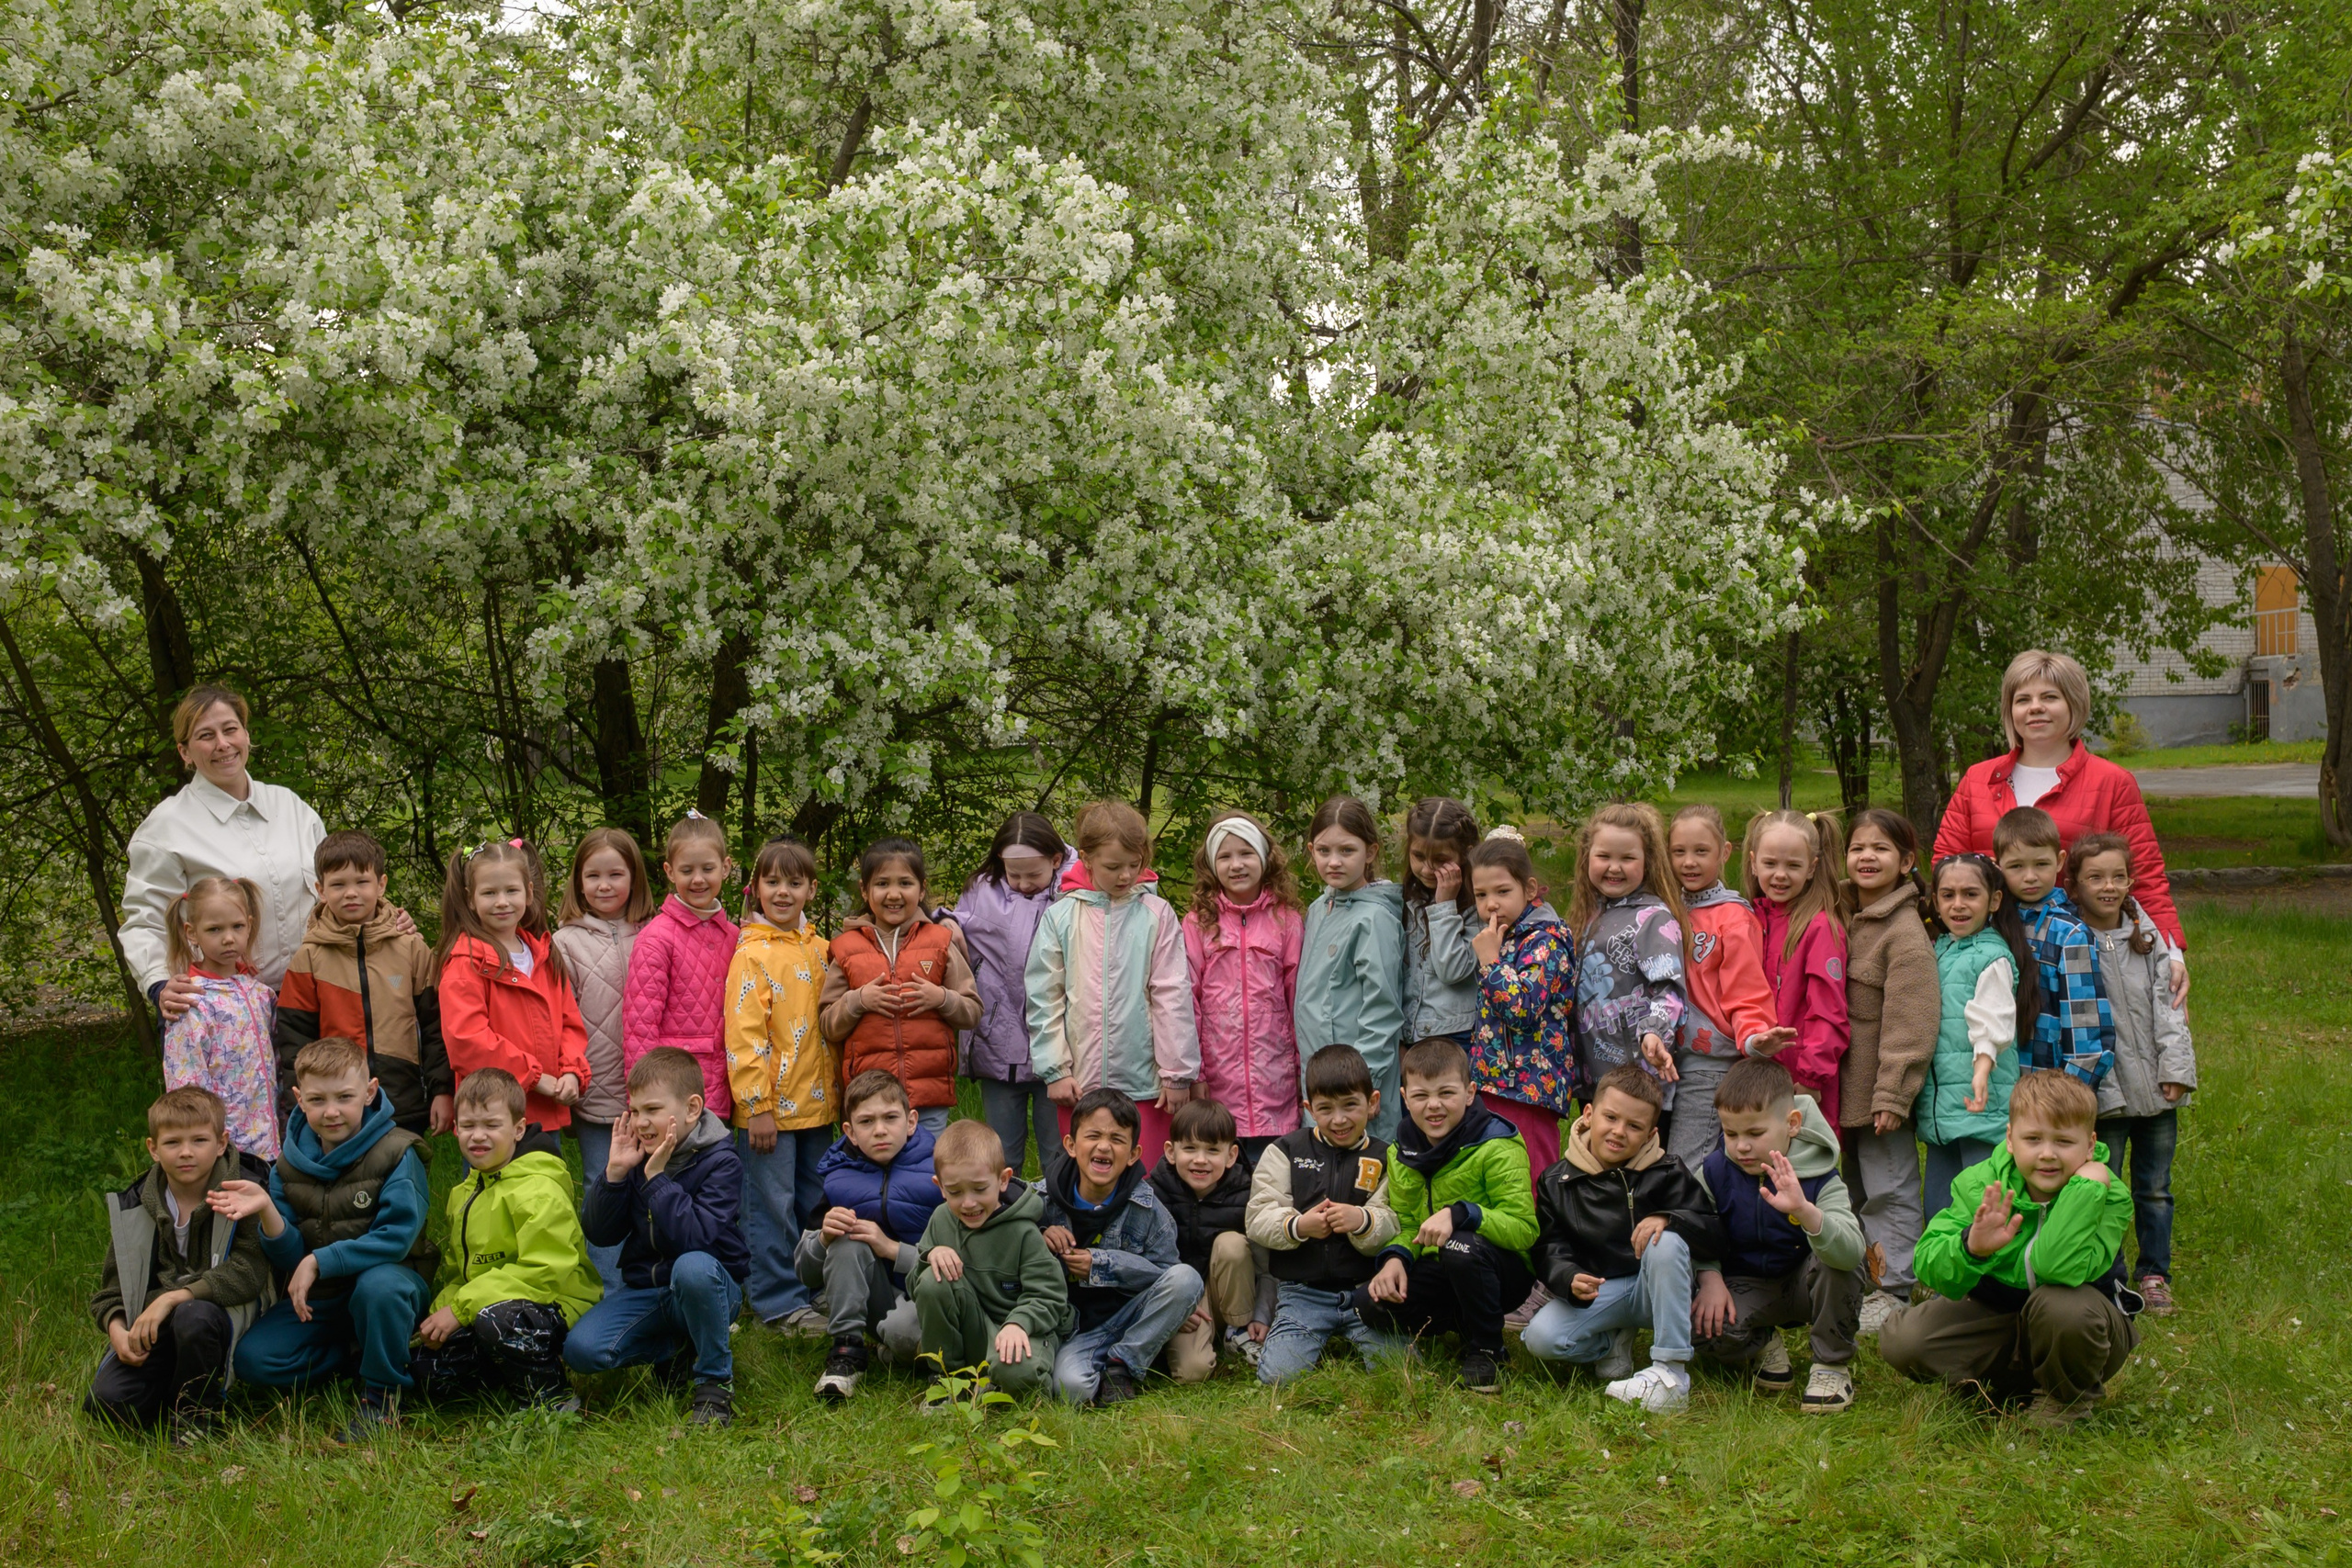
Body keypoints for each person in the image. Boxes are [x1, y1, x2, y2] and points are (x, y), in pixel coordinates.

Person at [1880, 1070, 2137, 1427]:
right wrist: (1971, 1247)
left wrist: (2084, 1190)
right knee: (1903, 1340)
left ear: (2090, 1145)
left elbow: (2056, 1268)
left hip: (2077, 1327)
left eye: (2064, 1142)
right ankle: (1992, 1382)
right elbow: (1927, 1263)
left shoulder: (2106, 1195)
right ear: (2010, 1139)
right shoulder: (1983, 1184)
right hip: (1998, 1314)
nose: (2047, 1154)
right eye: (2033, 1139)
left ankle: (2065, 1401)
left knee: (2063, 1308)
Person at [1933, 649, 2187, 1002]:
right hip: (1985, 956)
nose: (2035, 707)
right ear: (2011, 711)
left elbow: (2144, 875)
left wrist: (2171, 953)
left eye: (2049, 697)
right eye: (2023, 699)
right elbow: (1944, 865)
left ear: (2074, 704)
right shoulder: (1978, 779)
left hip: (2079, 959)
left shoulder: (2113, 782)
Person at [215, 1037, 435, 1442]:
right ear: (299, 1098)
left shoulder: (398, 1151)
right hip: (322, 1299)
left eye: (345, 1097)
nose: (331, 1111)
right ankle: (354, 1354)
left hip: (391, 1286)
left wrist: (320, 1261)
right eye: (317, 1100)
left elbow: (397, 1238)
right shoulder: (287, 1163)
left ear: (370, 1092)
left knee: (378, 1287)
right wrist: (267, 1212)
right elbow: (291, 1257)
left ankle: (381, 1397)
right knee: (254, 1362)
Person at [566, 1047, 750, 1428]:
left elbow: (697, 1239)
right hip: (647, 1290)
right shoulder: (637, 1156)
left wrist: (658, 1180)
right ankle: (678, 1348)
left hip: (709, 1287)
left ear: (692, 1109)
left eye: (651, 1109)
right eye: (634, 1111)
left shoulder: (721, 1161)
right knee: (581, 1351)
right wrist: (615, 1175)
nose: (640, 1122)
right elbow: (600, 1234)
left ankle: (714, 1382)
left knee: (693, 1268)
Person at [1521, 1066, 1723, 1413]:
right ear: (1588, 1114)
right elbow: (1548, 1248)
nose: (1618, 1132)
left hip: (1656, 1292)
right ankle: (1611, 1342)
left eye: (1634, 1126)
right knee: (1539, 1338)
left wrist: (1669, 1218)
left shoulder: (1668, 1171)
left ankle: (1670, 1372)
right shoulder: (1557, 1180)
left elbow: (1713, 1232)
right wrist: (1568, 1277)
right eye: (1610, 1118)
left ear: (1650, 1134)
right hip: (1602, 1292)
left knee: (1667, 1239)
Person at [120, 685, 329, 1019]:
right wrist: (157, 983)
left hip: (314, 1003)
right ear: (184, 751)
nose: (222, 744)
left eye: (230, 729)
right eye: (206, 735)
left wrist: (384, 919)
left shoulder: (291, 808)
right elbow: (146, 920)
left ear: (246, 734)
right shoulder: (166, 827)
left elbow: (335, 890)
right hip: (221, 1015)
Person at [85, 1087, 273, 1443]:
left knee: (193, 1315)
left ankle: (196, 1413)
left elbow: (248, 1274)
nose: (186, 1152)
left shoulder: (246, 1190)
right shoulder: (135, 1206)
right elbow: (111, 1291)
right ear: (153, 1149)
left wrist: (170, 1298)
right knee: (109, 1404)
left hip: (220, 1315)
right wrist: (118, 1330)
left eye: (199, 1140)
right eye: (172, 1143)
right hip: (155, 1326)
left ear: (221, 1143)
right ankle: (171, 1385)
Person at [410, 1069, 602, 1409]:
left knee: (498, 1321)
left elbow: (542, 1272)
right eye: (468, 1126)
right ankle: (506, 1374)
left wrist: (460, 1309)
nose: (477, 1136)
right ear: (456, 1129)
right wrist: (438, 1317)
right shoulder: (464, 1192)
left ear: (518, 1129)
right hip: (487, 1303)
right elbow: (461, 1275)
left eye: (491, 1125)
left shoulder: (538, 1189)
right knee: (427, 1368)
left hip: (556, 1304)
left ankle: (552, 1399)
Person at [1357, 1037, 1536, 1393]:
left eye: (1447, 1094)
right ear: (1405, 1098)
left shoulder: (1497, 1145)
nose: (1434, 1106)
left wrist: (1462, 1214)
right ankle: (1461, 1321)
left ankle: (1488, 1348)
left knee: (1461, 1246)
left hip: (1500, 1270)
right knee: (1369, 1302)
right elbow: (1409, 1223)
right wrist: (1396, 1257)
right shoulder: (1401, 1151)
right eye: (1421, 1096)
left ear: (1470, 1093)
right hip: (1441, 1266)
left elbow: (1524, 1230)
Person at [1026, 802, 1201, 1168]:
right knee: (1087, 1179)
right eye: (1113, 866)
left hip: (1147, 1086)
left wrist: (1177, 1074)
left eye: (1134, 865)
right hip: (1078, 1085)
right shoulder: (1060, 917)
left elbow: (1173, 996)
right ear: (1086, 859)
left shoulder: (1157, 914)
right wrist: (1055, 1070)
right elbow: (1044, 998)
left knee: (1144, 1182)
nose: (1126, 876)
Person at [1689, 1058, 1866, 1413]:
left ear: (1793, 1124)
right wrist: (1709, 1275)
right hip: (1747, 1285)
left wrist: (1805, 1211)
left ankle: (1831, 1363)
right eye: (1731, 1133)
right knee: (1696, 1328)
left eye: (1755, 1134)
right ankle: (1762, 1343)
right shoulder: (1713, 1173)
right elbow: (1693, 1225)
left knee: (1839, 1263)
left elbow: (1851, 1252)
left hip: (1807, 1284)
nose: (1741, 1147)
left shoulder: (1822, 1176)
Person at [2068, 832, 2196, 1316]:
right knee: (2104, 1185)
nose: (2108, 886)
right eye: (2095, 877)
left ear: (2131, 879)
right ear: (2075, 883)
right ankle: (2110, 1276)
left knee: (2155, 1187)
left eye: (2118, 876)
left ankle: (2154, 1273)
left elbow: (2170, 1008)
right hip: (2107, 1094)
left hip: (2160, 1090)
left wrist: (2177, 1070)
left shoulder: (2148, 936)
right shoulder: (2072, 937)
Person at [725, 834, 837, 1336]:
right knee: (769, 1206)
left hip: (819, 1106)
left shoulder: (820, 948)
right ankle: (775, 1300)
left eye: (794, 882)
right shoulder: (752, 954)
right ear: (755, 889)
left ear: (811, 889)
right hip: (770, 1112)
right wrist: (756, 1107)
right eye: (772, 881)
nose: (783, 891)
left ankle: (812, 1289)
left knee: (813, 1201)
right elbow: (744, 1037)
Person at [275, 829, 451, 1139]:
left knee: (404, 1182)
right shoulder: (308, 958)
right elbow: (293, 1041)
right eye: (338, 885)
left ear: (381, 885)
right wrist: (299, 1102)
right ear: (321, 890)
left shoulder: (411, 949)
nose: (351, 893)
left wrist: (443, 1090)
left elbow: (437, 1027)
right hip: (337, 1108)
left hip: (405, 1102)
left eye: (361, 882)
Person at [1838, 808, 1939, 1333]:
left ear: (1906, 862)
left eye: (1881, 849)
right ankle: (1862, 1274)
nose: (1867, 857)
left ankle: (1895, 1285)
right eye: (1858, 848)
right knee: (1851, 1186)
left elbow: (1911, 1020)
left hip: (1877, 1092)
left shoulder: (1902, 931)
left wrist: (1894, 1094)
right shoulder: (1841, 911)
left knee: (1889, 1185)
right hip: (1841, 1086)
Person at [1248, 1044, 1403, 1383]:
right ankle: (1291, 1336)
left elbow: (1394, 1220)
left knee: (1402, 1371)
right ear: (1309, 1109)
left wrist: (1362, 1221)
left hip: (1367, 1290)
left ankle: (1364, 1332)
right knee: (1278, 1379)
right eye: (1326, 1108)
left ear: (1372, 1103)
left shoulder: (1386, 1157)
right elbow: (1257, 1218)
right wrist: (1298, 1226)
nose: (1339, 1119)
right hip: (1303, 1291)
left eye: (1351, 1105)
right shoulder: (1286, 1150)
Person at [1040, 1089, 1201, 1405]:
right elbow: (1004, 1207)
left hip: (1131, 1317)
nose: (1104, 1146)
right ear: (1071, 1145)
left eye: (1117, 1139)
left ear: (1133, 1154)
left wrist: (1102, 1264)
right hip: (1076, 1329)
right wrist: (1040, 1233)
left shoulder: (1150, 1211)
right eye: (1093, 1136)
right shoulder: (1042, 1201)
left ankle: (1122, 1364)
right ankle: (1097, 1361)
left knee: (1187, 1279)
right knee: (1071, 1389)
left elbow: (1167, 1277)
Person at [551, 827, 658, 1291]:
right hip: (597, 1089)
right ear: (577, 882)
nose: (604, 885)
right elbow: (559, 1016)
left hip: (653, 1089)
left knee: (656, 1186)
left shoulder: (656, 933)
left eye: (616, 874)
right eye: (592, 876)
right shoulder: (564, 943)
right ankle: (611, 1290)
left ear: (634, 878)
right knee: (604, 1184)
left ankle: (655, 1281)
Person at [435, 840, 591, 1149]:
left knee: (545, 1193)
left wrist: (572, 1071)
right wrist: (534, 1077)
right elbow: (467, 1041)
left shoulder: (544, 956)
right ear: (470, 899)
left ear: (529, 893)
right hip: (492, 1119)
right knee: (492, 1197)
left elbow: (570, 1023)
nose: (502, 902)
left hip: (544, 1115)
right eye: (489, 893)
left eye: (511, 891)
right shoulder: (466, 963)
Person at [823, 837, 982, 1135]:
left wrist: (942, 998)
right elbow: (829, 1025)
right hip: (870, 1099)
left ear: (921, 889)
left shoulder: (940, 942)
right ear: (865, 890)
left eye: (905, 884)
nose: (893, 894)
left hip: (928, 1095)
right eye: (882, 884)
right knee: (876, 1176)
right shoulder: (846, 948)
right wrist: (858, 1001)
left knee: (925, 1176)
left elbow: (972, 1011)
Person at [1665, 805, 1793, 1168]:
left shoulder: (1733, 918)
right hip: (1667, 1062)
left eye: (1701, 851)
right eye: (1679, 852)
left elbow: (1747, 991)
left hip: (1709, 1066)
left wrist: (1754, 1038)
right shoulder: (1665, 908)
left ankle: (1687, 1225)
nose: (1689, 862)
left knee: (1688, 1167)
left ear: (1724, 852)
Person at [911, 1120, 1072, 1404]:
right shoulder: (940, 1219)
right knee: (932, 1280)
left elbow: (1050, 1296)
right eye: (956, 1192)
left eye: (979, 1189)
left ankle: (1013, 1383)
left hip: (1022, 1332)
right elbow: (916, 1285)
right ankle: (948, 1380)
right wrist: (930, 1256)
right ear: (940, 1187)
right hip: (974, 1331)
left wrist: (1019, 1323)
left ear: (1003, 1180)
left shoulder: (1025, 1231)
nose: (969, 1203)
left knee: (1016, 1373)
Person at [802, 1070, 938, 1401]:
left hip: (934, 1294)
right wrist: (823, 1239)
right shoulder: (838, 1179)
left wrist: (891, 1248)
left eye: (890, 1118)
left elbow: (961, 1251)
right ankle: (847, 1352)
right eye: (866, 1122)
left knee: (904, 1332)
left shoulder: (941, 1168)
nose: (880, 1130)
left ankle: (907, 1350)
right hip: (881, 1297)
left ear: (911, 1121)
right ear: (849, 1131)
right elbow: (805, 1274)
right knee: (847, 1237)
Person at [954, 812, 1076, 1173]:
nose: (1023, 883)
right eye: (1014, 874)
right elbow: (961, 923)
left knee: (1060, 1152)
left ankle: (1057, 1225)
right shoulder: (981, 888)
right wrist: (945, 920)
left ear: (1055, 860)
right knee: (1000, 1155)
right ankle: (1003, 1224)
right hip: (997, 1044)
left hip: (1058, 1047)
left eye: (1033, 874)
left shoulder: (1080, 890)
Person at [1182, 812, 1305, 1165]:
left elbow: (1298, 1000)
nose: (1236, 865)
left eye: (1246, 853)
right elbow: (1186, 1000)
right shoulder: (1197, 922)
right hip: (1217, 1084)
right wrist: (1196, 1074)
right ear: (1211, 863)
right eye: (1225, 856)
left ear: (1265, 858)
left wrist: (1300, 1073)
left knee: (1274, 1182)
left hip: (1275, 1085)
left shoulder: (1287, 920)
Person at [1919, 853, 2036, 1217]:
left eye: (1970, 894)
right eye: (1948, 895)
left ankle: (1990, 1271)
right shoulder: (1939, 948)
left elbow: (1994, 1018)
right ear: (1935, 901)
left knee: (1981, 1200)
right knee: (1939, 1204)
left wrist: (1982, 1069)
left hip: (1979, 1099)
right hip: (1942, 1107)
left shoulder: (1991, 956)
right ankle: (1944, 1270)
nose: (1958, 905)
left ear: (1994, 901)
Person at [1464, 829, 1577, 1178]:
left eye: (1502, 891)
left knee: (1529, 1175)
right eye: (1481, 894)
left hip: (1530, 1085)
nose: (1491, 904)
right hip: (1494, 1081)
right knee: (1499, 1175)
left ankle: (1540, 1235)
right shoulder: (1504, 936)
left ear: (1529, 890)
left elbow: (1523, 1011)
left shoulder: (1547, 940)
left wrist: (1491, 963)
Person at [1294, 795, 1408, 1139]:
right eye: (1324, 851)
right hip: (1319, 1081)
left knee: (1363, 1179)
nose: (1334, 862)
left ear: (1370, 852)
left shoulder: (1374, 919)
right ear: (1311, 849)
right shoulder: (1318, 908)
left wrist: (1362, 1085)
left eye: (1347, 851)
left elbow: (1382, 1009)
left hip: (1356, 1087)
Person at [1566, 804, 1688, 1105]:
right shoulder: (1586, 916)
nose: (1614, 867)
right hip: (1593, 1079)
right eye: (1604, 856)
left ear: (1647, 862)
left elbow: (1670, 991)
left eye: (1628, 858)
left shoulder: (1652, 919)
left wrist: (1655, 1033)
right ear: (1586, 857)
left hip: (1639, 1079)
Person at [623, 812, 741, 1117]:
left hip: (727, 1091)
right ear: (670, 871)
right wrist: (645, 1103)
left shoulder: (735, 936)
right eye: (687, 870)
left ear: (726, 867)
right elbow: (640, 1026)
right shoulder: (656, 938)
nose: (698, 879)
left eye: (708, 869)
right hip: (674, 1092)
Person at [1149, 1097, 1273, 1380]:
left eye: (1212, 1150)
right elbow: (1144, 1261)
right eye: (1190, 1148)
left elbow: (1269, 1264)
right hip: (1183, 1295)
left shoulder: (1249, 1192)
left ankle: (1238, 1332)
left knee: (1231, 1244)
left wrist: (1262, 1314)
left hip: (1232, 1291)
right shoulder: (1154, 1193)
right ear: (1170, 1151)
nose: (1200, 1160)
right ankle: (1194, 1342)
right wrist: (1172, 1306)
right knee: (1193, 1373)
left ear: (1230, 1156)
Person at [160, 875, 280, 1160]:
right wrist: (203, 1145)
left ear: (250, 925)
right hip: (223, 1151)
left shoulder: (261, 994)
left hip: (271, 1142)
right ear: (192, 933)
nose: (228, 938)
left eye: (237, 926)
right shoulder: (190, 1002)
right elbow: (185, 1089)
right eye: (214, 929)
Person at [1993, 807, 2115, 1087]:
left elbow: (2087, 1031)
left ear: (2060, 861)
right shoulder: (1991, 925)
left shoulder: (2070, 934)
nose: (2030, 876)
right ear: (1997, 866)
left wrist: (2065, 1094)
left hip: (2052, 1091)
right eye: (2016, 867)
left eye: (2041, 864)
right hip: (1996, 1088)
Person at [1743, 808, 1851, 1121]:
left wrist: (1811, 1078)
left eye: (1793, 865)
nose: (1780, 874)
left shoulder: (1820, 928)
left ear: (1811, 868)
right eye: (1770, 864)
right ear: (1752, 863)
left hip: (1801, 1082)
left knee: (1799, 1166)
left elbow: (1828, 1010)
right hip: (1755, 1072)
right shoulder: (1749, 919)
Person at [1400, 795, 1484, 1058]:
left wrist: (1445, 906)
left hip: (1456, 1037)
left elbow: (1452, 970)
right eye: (1418, 856)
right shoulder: (1406, 899)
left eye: (1440, 859)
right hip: (1410, 1035)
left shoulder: (1477, 908)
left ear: (1465, 854)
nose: (1426, 869)